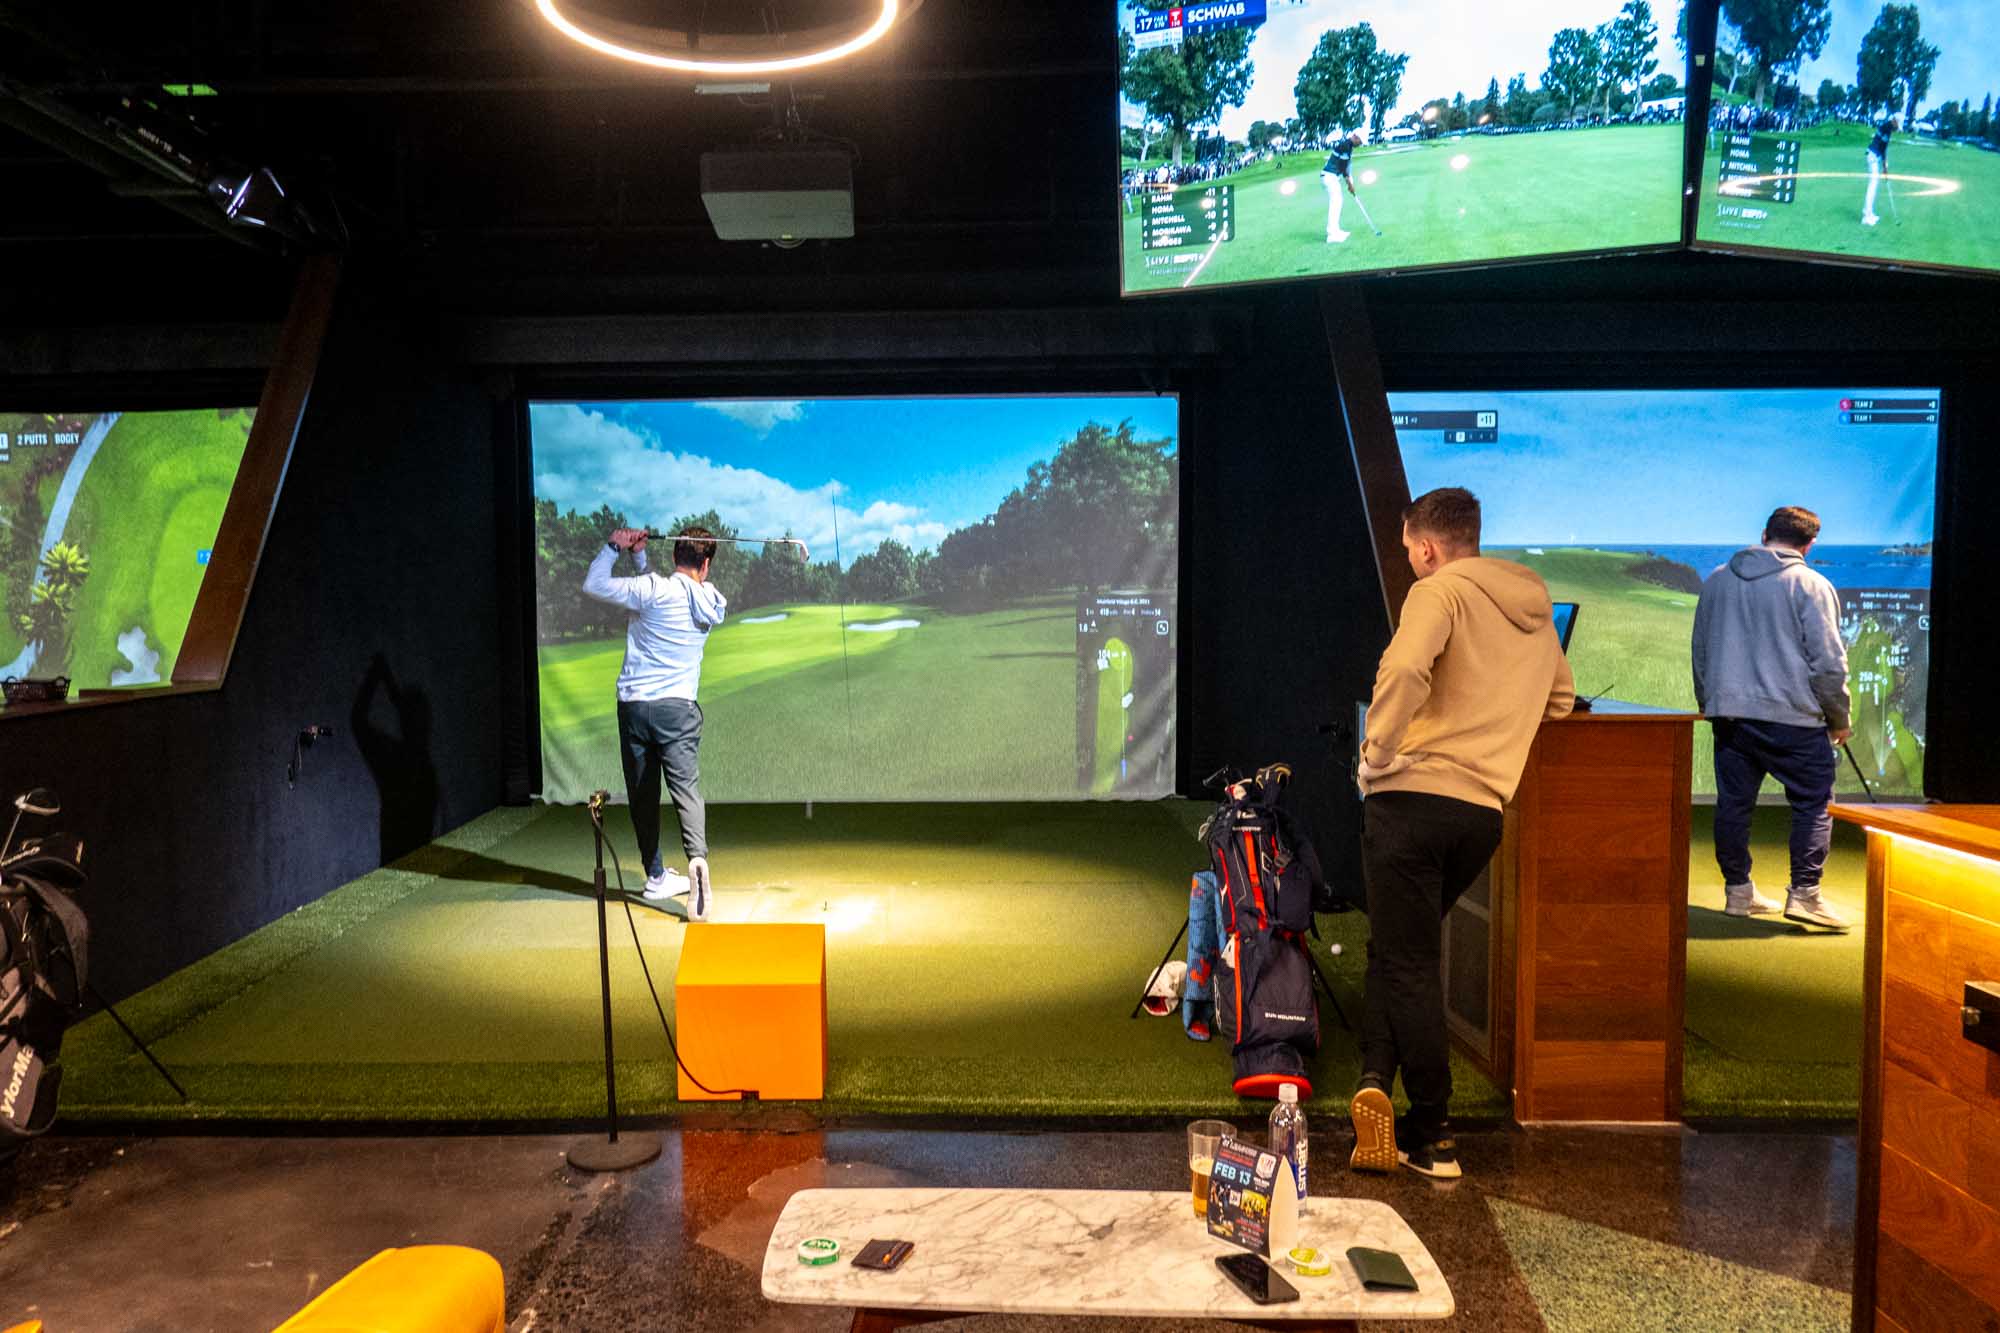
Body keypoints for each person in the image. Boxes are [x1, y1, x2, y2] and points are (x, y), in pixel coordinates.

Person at [1350, 488, 1574, 1180]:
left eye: (1409, 551)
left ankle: (1432, 1130)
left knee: (1410, 960)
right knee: (1397, 945)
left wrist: (1376, 753)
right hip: (1480, 815)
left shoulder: (1438, 592)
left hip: (1410, 802)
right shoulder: (1534, 612)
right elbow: (1562, 701)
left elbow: (1407, 667)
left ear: (1426, 547)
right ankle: (1374, 1078)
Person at [1690, 506, 1851, 932]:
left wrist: (1709, 701)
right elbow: (1829, 664)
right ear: (1809, 544)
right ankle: (1805, 894)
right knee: (1815, 803)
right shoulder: (1811, 584)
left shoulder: (1718, 580)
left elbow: (1701, 649)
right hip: (1793, 718)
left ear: (1764, 534)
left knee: (1734, 805)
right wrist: (1838, 717)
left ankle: (1738, 893)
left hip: (1730, 716)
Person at [582, 526, 727, 921]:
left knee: (643, 794)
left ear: (676, 554)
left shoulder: (651, 589)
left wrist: (617, 546)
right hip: (677, 711)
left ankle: (656, 875)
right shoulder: (712, 601)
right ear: (706, 564)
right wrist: (640, 558)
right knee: (686, 792)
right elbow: (672, 594)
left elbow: (595, 584)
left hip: (634, 709)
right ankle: (697, 862)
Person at [1321, 130, 1364, 243]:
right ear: (1354, 136)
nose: (1360, 143)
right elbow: (1342, 168)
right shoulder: (1345, 146)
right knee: (1336, 202)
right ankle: (1331, 235)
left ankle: (1336, 230)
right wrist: (1349, 184)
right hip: (1329, 176)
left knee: (1338, 202)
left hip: (1332, 177)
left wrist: (1351, 183)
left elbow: (1347, 168)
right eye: (1359, 140)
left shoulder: (1348, 147)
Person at [1862, 116, 1896, 227]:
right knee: (1872, 186)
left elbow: (1882, 148)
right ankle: (1866, 216)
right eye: (1897, 125)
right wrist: (1885, 166)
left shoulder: (1887, 127)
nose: (1897, 128)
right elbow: (1882, 148)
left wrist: (1884, 165)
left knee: (1874, 185)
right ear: (1894, 121)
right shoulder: (1887, 128)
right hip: (1873, 157)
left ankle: (1869, 213)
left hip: (1874, 156)